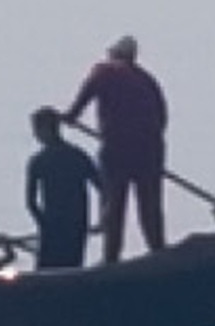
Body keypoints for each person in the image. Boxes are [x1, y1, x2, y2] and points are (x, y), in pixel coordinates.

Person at [67, 33, 169, 263]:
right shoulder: (146, 79)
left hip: (118, 148)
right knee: (150, 206)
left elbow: (86, 94)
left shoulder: (104, 71)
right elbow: (162, 117)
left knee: (114, 203)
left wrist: (71, 116)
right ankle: (159, 251)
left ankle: (111, 258)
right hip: (150, 150)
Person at [24, 106, 102, 272]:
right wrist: (104, 217)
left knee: (46, 270)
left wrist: (43, 223)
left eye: (36, 130)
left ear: (45, 129)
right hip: (76, 222)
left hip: (53, 223)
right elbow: (103, 189)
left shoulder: (39, 161)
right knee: (73, 266)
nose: (35, 135)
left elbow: (30, 202)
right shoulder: (78, 156)